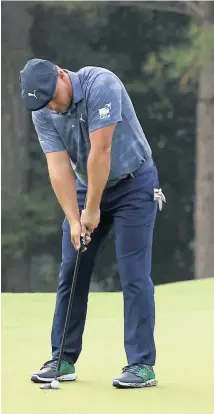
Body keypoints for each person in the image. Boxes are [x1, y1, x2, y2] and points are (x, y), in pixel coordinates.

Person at [19, 58, 165, 388]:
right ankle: (62, 359)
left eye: (52, 96)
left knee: (134, 275)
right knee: (72, 269)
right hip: (86, 186)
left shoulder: (101, 84)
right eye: (44, 103)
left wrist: (92, 210)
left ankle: (141, 365)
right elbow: (58, 168)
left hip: (134, 183)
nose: (52, 106)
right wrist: (74, 219)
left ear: (60, 75)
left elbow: (101, 152)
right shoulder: (42, 109)